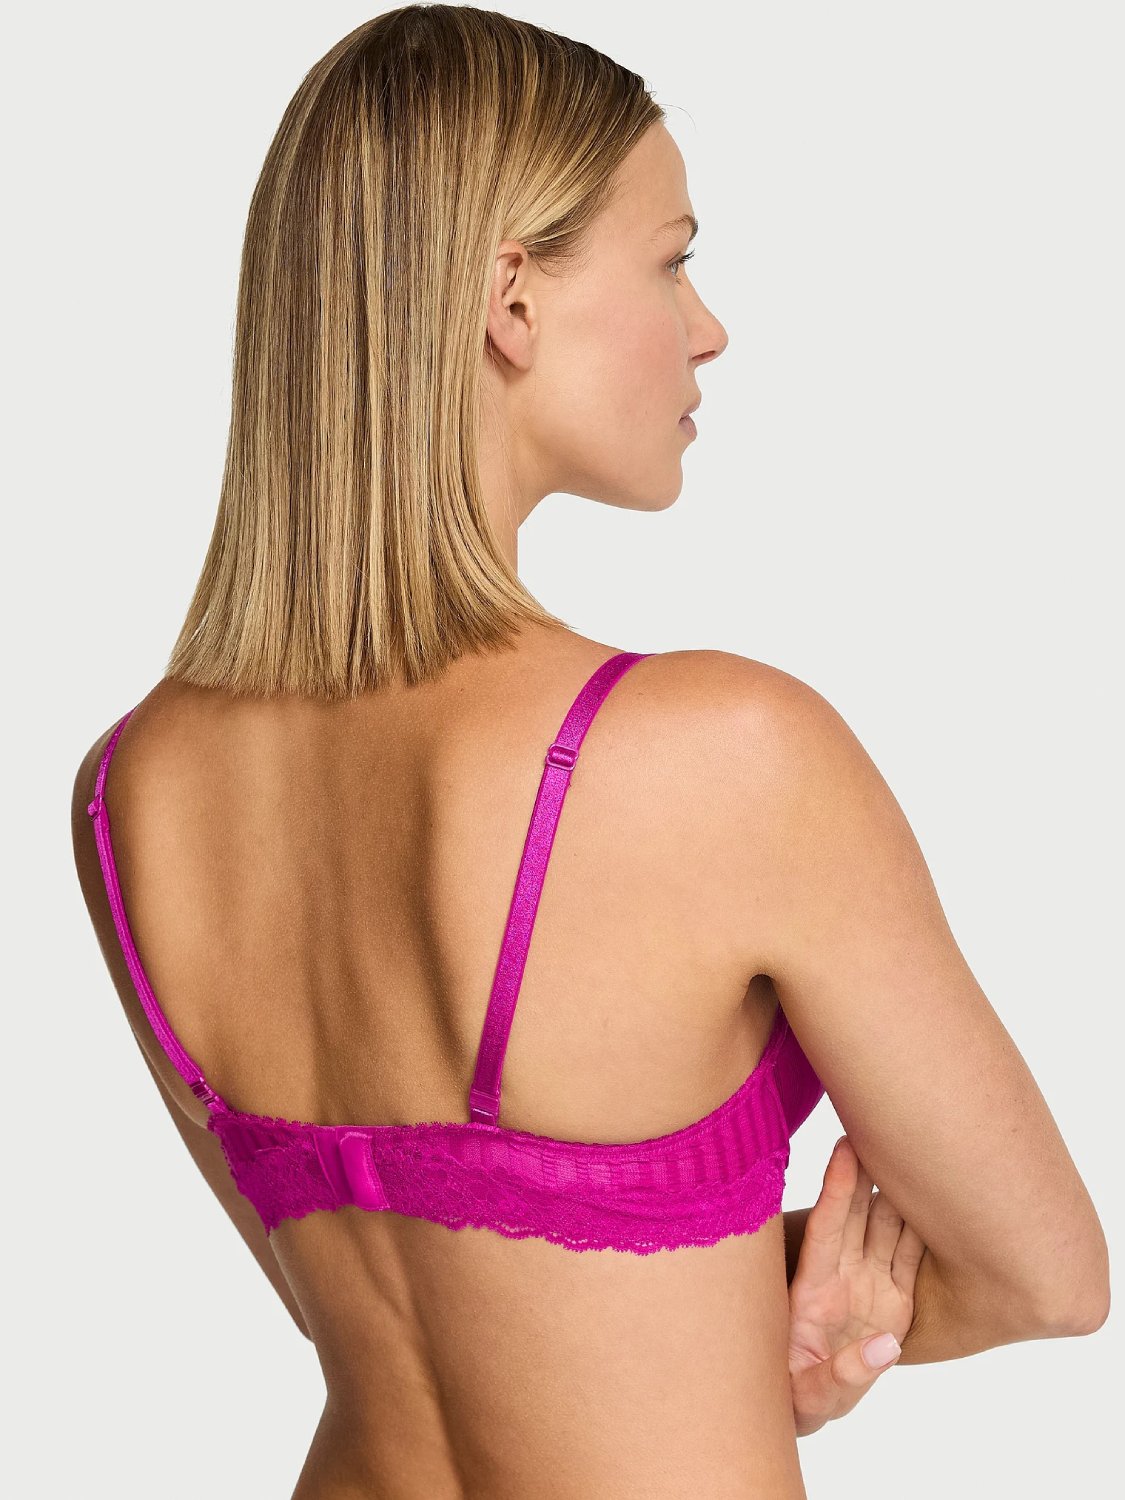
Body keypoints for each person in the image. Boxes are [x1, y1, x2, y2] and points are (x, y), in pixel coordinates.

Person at [70, 7, 1109, 1497]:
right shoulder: (725, 754)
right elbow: (1042, 1276)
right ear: (510, 299)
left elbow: (390, 1296)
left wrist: (721, 1330)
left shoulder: (132, 792)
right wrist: (795, 1322)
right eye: (672, 259)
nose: (708, 326)